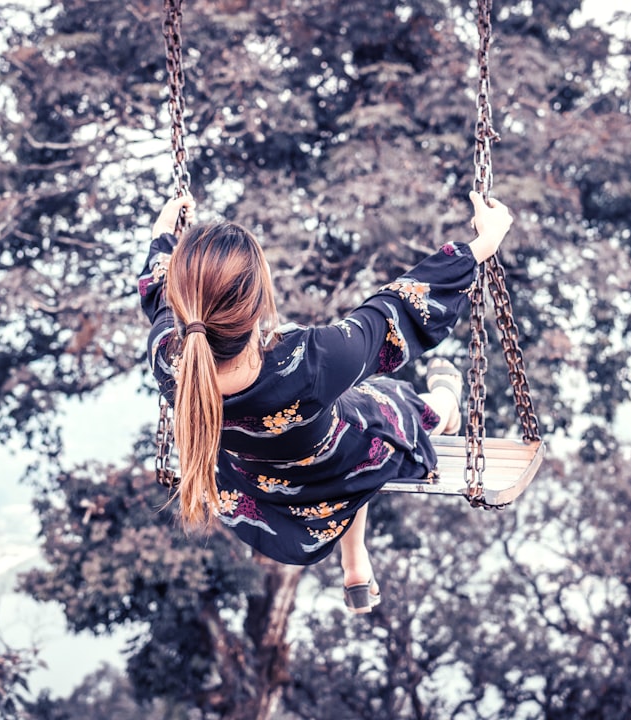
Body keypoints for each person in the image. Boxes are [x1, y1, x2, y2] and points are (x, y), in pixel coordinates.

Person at [140, 191, 513, 613]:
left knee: (348, 415)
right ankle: (446, 401)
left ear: (181, 302)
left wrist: (163, 236)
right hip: (335, 464)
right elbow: (395, 310)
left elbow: (156, 294)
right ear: (259, 300)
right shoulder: (313, 360)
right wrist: (483, 244)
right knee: (392, 405)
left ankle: (355, 563)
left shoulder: (169, 356)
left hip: (253, 485)